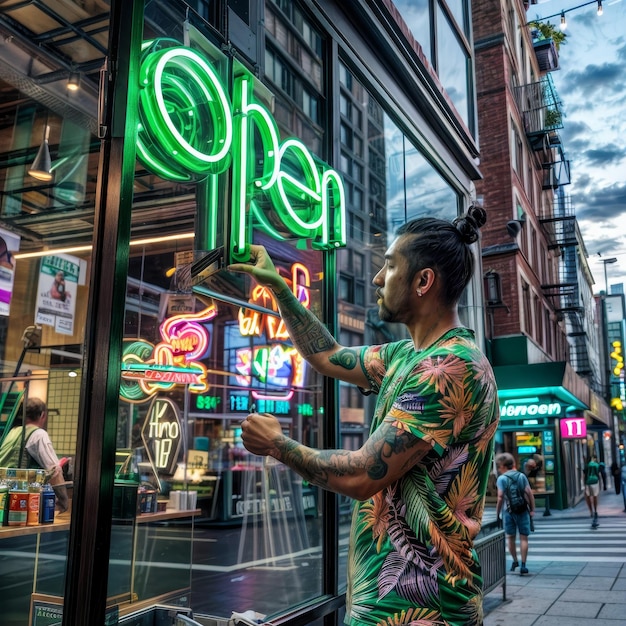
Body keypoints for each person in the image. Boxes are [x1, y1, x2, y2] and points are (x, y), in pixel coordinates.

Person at [230, 206, 500, 626]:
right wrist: (278, 287)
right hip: (388, 603)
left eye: (389, 266)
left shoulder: (450, 367)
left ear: (423, 281)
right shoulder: (406, 356)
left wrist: (277, 445)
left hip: (424, 610)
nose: (377, 278)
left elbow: (361, 474)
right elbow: (328, 355)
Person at [0, 397, 69, 513]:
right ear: (43, 415)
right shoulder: (39, 435)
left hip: (3, 495)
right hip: (19, 499)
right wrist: (63, 502)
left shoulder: (13, 431)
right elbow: (54, 471)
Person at [495, 453, 535, 576]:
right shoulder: (521, 476)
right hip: (523, 510)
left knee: (510, 538)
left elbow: (501, 497)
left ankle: (515, 561)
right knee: (524, 538)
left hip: (509, 512)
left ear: (502, 466)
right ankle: (523, 565)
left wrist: (497, 514)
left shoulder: (501, 479)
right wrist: (532, 509)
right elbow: (529, 493)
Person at [583, 455, 600, 523]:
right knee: (595, 496)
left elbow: (584, 475)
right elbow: (598, 474)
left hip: (588, 482)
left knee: (588, 497)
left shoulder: (587, 465)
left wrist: (584, 484)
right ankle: (595, 510)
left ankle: (591, 511)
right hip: (595, 481)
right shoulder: (596, 465)